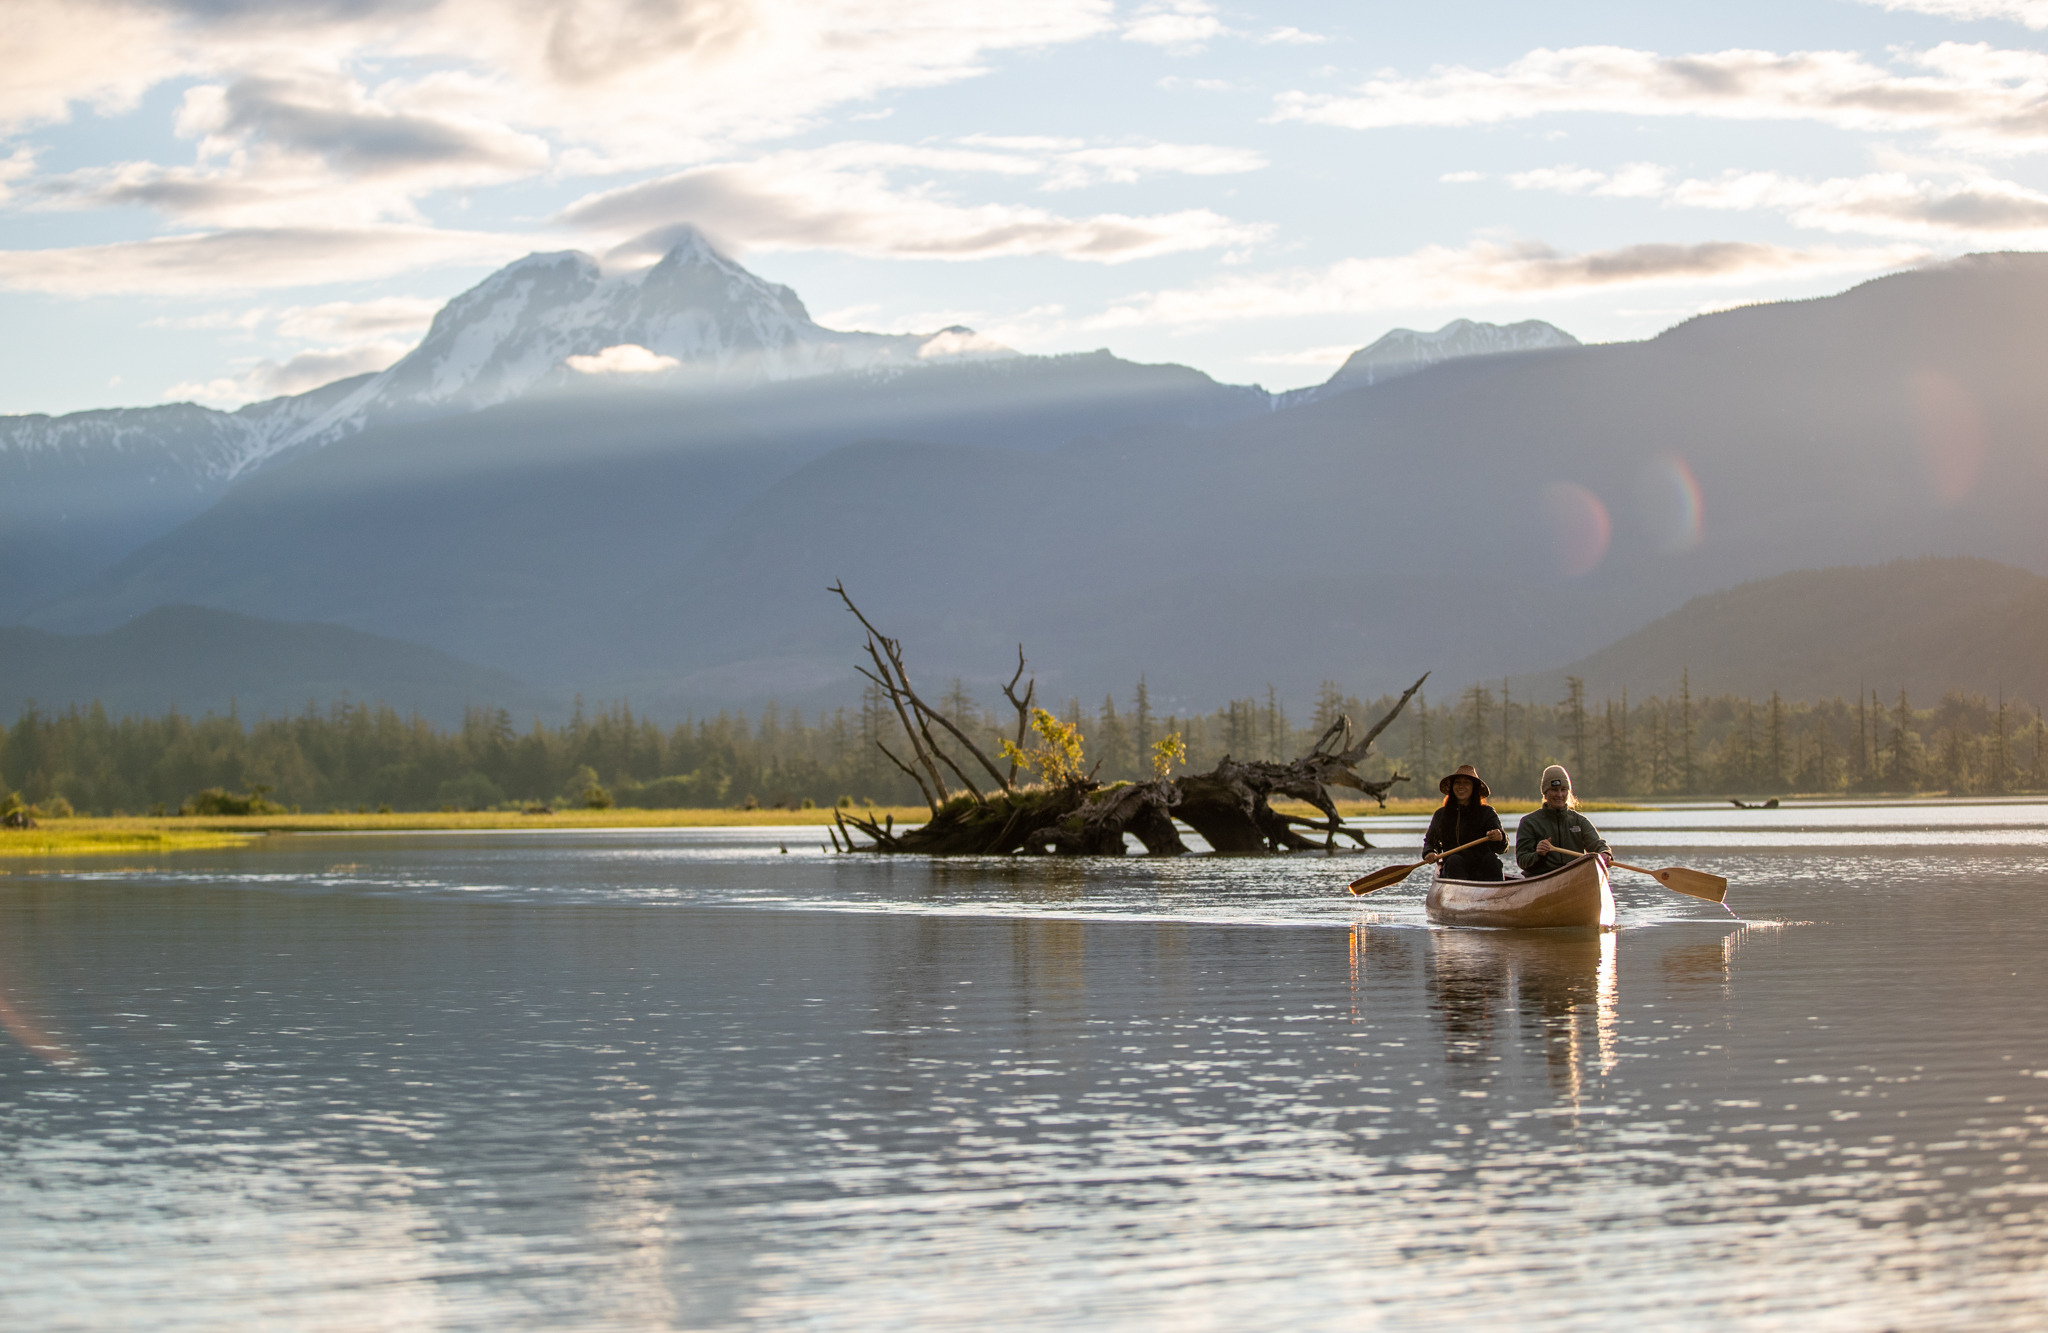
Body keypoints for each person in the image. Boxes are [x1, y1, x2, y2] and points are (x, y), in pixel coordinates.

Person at [1516, 764, 1612, 876]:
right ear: (1545, 793)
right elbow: (1522, 860)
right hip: (1542, 878)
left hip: (1575, 877)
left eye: (1563, 790)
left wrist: (1605, 852)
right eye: (1554, 790)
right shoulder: (1529, 822)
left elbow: (1597, 844)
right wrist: (1538, 854)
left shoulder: (1579, 821)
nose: (1560, 795)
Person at [1421, 764, 1507, 881]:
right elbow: (1430, 841)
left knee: (1492, 859)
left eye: (1467, 782)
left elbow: (1502, 848)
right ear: (1452, 787)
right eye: (1457, 782)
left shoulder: (1487, 812)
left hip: (1482, 869)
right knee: (1454, 859)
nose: (1461, 786)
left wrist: (1499, 837)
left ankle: (1498, 893)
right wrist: (1430, 852)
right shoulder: (1441, 815)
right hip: (1453, 869)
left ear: (1474, 788)